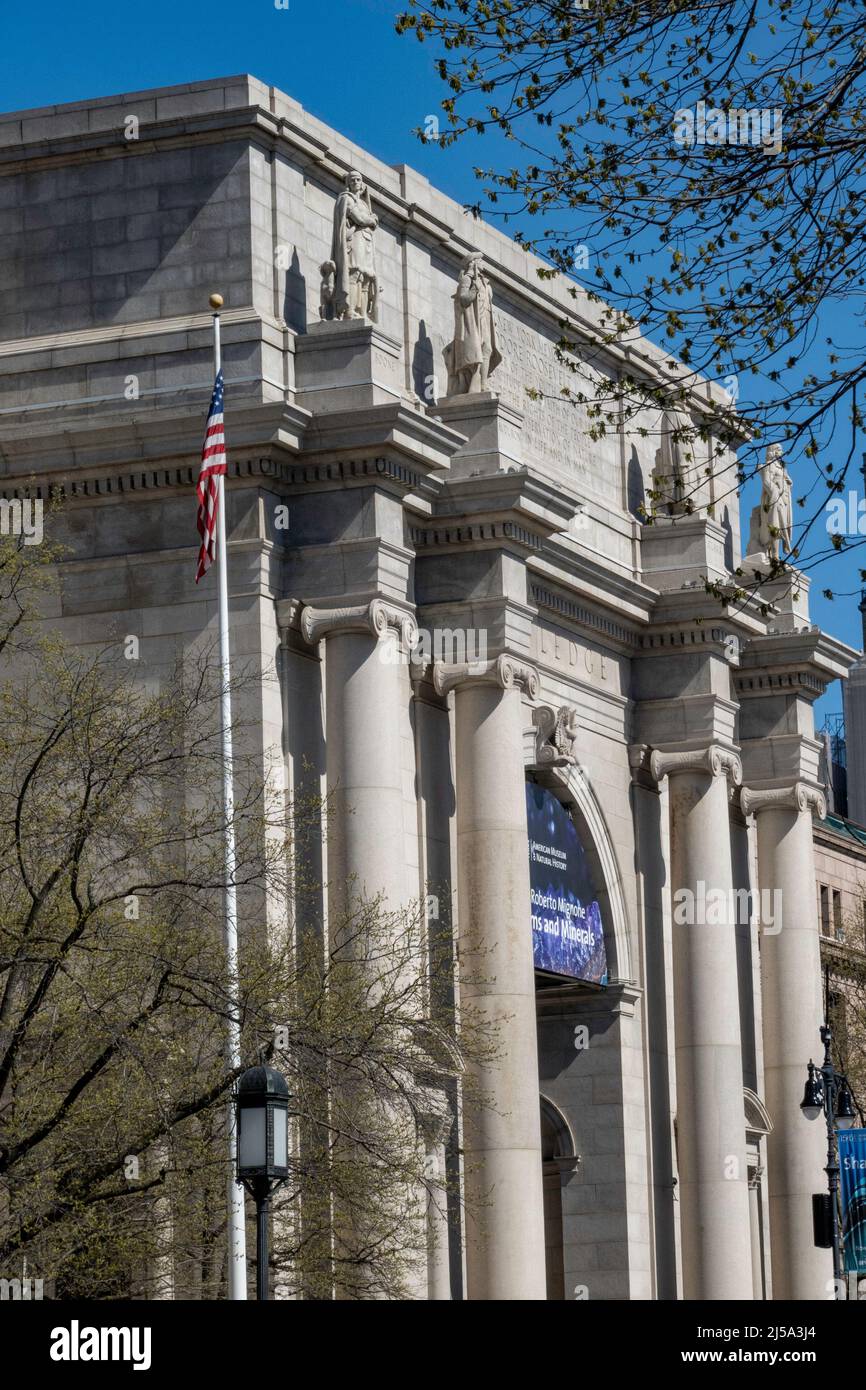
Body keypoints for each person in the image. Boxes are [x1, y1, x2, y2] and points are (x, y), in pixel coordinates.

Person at [444, 252, 502, 395]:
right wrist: (474, 289)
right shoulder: (466, 279)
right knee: (480, 351)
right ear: (474, 263)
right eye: (480, 261)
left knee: (488, 349)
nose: (483, 264)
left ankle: (483, 383)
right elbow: (463, 299)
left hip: (484, 321)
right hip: (474, 323)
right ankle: (481, 385)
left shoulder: (485, 283)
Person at [331, 170, 378, 322]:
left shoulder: (364, 203)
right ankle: (350, 310)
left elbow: (366, 218)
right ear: (348, 183)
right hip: (355, 240)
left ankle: (362, 313)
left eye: (358, 180)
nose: (355, 182)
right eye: (352, 180)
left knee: (366, 278)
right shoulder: (346, 198)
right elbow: (359, 218)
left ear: (362, 184)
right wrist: (371, 220)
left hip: (366, 243)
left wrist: (371, 218)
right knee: (354, 273)